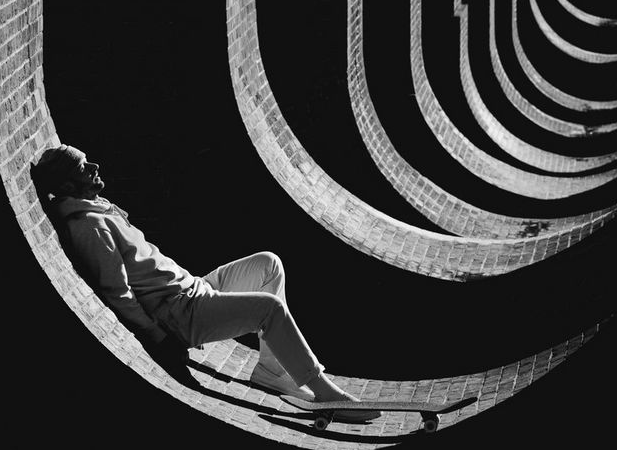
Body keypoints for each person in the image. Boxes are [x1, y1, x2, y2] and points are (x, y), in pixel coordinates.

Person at [32, 144, 379, 420]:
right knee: (269, 309)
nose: (94, 168)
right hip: (181, 313)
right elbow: (116, 291)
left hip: (194, 289)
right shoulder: (89, 226)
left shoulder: (97, 209)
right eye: (83, 168)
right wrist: (156, 335)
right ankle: (322, 390)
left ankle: (272, 371)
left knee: (268, 264)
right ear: (66, 186)